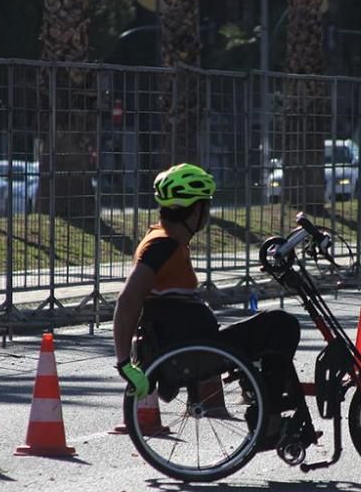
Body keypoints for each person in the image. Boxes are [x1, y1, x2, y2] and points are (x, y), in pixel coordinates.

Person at [113, 163, 316, 450]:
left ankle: (262, 399)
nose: (207, 214)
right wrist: (124, 363)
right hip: (194, 352)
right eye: (205, 207)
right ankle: (267, 422)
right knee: (282, 325)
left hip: (198, 344)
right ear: (194, 211)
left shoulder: (169, 241)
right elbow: (128, 300)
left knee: (273, 328)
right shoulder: (161, 246)